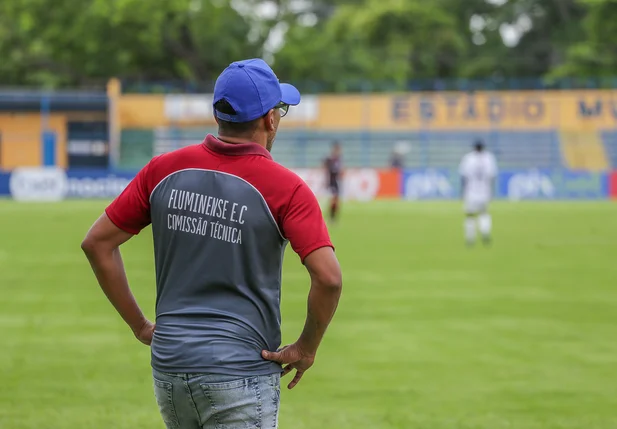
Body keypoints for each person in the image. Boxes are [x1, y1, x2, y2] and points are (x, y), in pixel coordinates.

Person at [81, 58, 343, 429]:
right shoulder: (287, 188)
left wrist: (141, 326)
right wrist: (306, 347)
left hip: (170, 369)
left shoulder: (163, 169)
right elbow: (329, 278)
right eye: (280, 110)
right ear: (270, 119)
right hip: (241, 371)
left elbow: (97, 243)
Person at [458, 139, 498, 246]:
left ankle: (470, 238)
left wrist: (462, 191)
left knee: (470, 215)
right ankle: (485, 233)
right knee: (484, 212)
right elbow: (492, 176)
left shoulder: (468, 158)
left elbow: (463, 176)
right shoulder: (489, 158)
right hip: (484, 190)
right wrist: (492, 191)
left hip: (471, 190)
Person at [323, 141, 342, 223]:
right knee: (333, 200)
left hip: (336, 182)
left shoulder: (338, 159)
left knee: (336, 200)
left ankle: (333, 218)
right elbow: (326, 170)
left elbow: (339, 171)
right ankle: (331, 218)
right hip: (331, 182)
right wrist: (326, 181)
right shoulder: (330, 159)